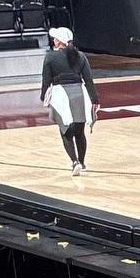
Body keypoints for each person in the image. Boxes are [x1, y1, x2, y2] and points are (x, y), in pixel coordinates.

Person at [38, 26, 97, 177]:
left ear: (60, 41)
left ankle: (74, 161)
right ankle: (82, 163)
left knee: (65, 131)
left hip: (60, 95)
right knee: (79, 132)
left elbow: (46, 79)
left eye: (56, 38)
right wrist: (94, 99)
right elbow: (88, 79)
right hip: (80, 93)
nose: (54, 40)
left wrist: (43, 95)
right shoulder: (81, 56)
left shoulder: (50, 57)